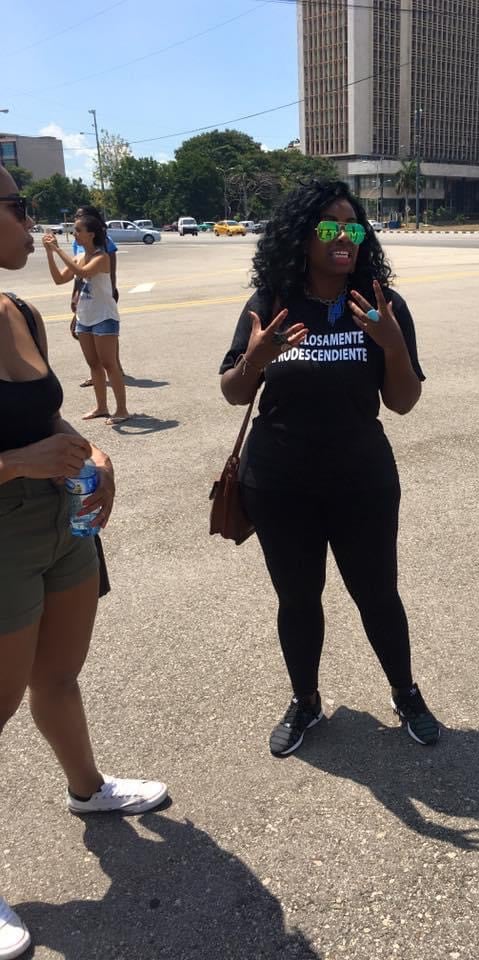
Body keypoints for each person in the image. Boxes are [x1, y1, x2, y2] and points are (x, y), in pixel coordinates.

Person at [0, 168, 166, 960]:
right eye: (18, 206)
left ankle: (88, 790)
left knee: (59, 677)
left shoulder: (19, 307)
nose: (33, 221)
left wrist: (92, 449)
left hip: (63, 524)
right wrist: (20, 462)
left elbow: (51, 414)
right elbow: (25, 445)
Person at [219, 178, 440, 757]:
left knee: (378, 595)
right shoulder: (269, 304)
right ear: (302, 236)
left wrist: (392, 345)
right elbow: (233, 393)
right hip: (279, 483)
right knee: (298, 599)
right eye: (328, 227)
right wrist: (256, 357)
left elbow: (403, 402)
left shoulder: (382, 304)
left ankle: (406, 692)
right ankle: (307, 702)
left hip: (360, 481)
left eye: (353, 227)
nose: (343, 237)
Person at [44, 216, 130, 425]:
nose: (75, 234)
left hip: (104, 317)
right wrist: (49, 254)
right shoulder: (78, 256)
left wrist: (57, 250)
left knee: (110, 364)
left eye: (78, 230)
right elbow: (58, 279)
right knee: (93, 365)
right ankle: (101, 406)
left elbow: (83, 273)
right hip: (85, 316)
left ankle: (122, 410)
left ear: (91, 234)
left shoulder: (102, 257)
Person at [69, 205, 122, 389]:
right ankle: (97, 374)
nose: (76, 219)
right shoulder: (78, 243)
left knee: (106, 336)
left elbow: (110, 266)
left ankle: (115, 367)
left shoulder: (104, 242)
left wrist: (113, 288)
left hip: (101, 292)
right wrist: (75, 294)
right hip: (85, 294)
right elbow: (77, 272)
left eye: (80, 217)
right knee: (90, 341)